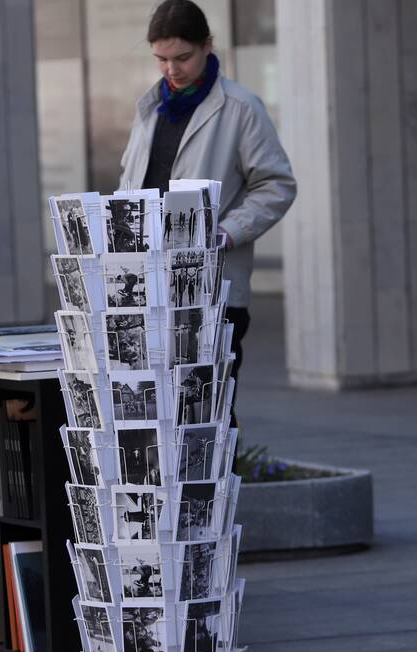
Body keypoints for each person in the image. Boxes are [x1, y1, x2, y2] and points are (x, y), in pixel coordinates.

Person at [120, 0, 297, 414]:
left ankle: (220, 483)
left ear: (208, 46)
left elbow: (276, 185)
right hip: (148, 289)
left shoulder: (240, 107)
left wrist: (226, 232)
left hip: (214, 290)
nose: (171, 69)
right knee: (153, 413)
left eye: (182, 57)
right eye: (161, 59)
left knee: (208, 417)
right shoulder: (149, 109)